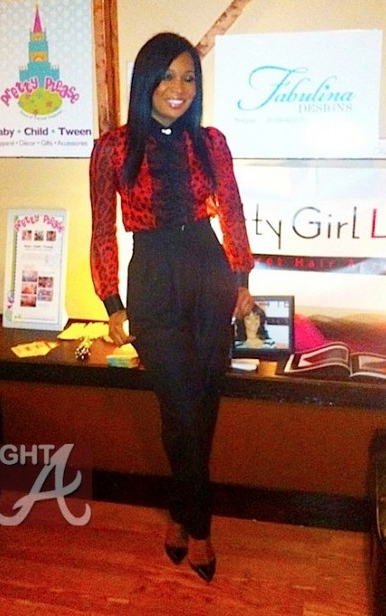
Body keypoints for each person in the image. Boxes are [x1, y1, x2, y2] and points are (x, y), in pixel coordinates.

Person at [89, 32, 254, 582]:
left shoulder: (211, 142)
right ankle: (200, 526)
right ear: (146, 81)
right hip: (153, 278)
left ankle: (182, 514)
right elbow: (102, 229)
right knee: (179, 405)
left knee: (201, 406)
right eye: (167, 76)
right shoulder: (113, 148)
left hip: (208, 272)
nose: (178, 88)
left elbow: (232, 209)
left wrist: (241, 279)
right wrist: (111, 302)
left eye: (188, 78)